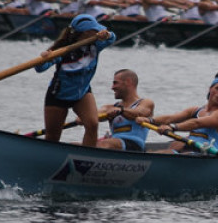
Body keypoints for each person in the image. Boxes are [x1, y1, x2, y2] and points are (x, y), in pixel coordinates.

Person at [35, 14, 116, 147]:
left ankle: (87, 158)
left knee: (92, 124)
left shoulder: (97, 45)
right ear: (86, 33)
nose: (97, 32)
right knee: (53, 136)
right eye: (95, 31)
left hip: (82, 93)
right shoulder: (62, 50)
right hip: (59, 95)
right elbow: (40, 68)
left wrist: (107, 35)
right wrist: (43, 59)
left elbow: (112, 37)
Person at [139, 75, 218, 154]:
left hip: (209, 155)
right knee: (166, 150)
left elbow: (197, 123)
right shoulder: (195, 110)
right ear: (210, 89)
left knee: (168, 153)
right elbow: (170, 118)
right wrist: (150, 120)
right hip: (191, 150)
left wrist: (172, 128)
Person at [96, 69, 155, 151]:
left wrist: (121, 110)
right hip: (114, 143)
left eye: (115, 83)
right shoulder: (109, 107)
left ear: (128, 82)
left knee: (105, 143)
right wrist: (84, 118)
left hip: (134, 145)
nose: (112, 87)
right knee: (75, 145)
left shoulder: (146, 103)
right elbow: (94, 115)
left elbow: (138, 113)